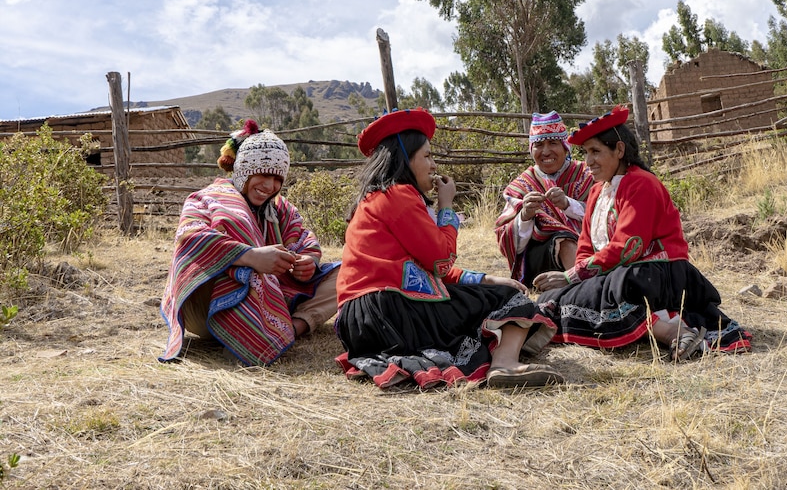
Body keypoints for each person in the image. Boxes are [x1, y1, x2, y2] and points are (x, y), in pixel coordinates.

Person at [335, 108, 563, 389]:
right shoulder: (399, 195)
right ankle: (505, 363)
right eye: (427, 156)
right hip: (391, 310)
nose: (433, 166)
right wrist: (446, 207)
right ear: (405, 159)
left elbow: (426, 271)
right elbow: (440, 261)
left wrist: (486, 279)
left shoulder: (377, 199)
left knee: (488, 295)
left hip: (363, 320)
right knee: (511, 300)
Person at [534, 106, 751, 361]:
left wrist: (572, 275)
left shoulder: (642, 184)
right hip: (617, 273)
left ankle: (673, 332)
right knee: (552, 298)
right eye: (585, 153)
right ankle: (662, 327)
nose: (588, 161)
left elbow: (628, 247)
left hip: (656, 273)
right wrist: (577, 279)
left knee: (617, 286)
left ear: (619, 150)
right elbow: (586, 245)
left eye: (595, 151)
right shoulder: (596, 192)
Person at [159, 120, 340, 366]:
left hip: (270, 300)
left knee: (345, 276)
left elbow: (303, 239)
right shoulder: (205, 199)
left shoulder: (280, 210)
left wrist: (308, 261)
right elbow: (190, 237)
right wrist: (251, 256)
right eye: (263, 175)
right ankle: (249, 331)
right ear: (244, 170)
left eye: (277, 178)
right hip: (207, 305)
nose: (270, 186)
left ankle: (292, 328)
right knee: (250, 271)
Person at [495, 111, 595, 287]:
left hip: (591, 253)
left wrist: (568, 204)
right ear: (531, 149)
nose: (546, 152)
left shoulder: (588, 175)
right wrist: (525, 216)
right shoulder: (521, 187)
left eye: (553, 143)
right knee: (563, 240)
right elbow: (509, 244)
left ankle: (582, 284)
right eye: (539, 145)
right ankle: (584, 287)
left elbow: (604, 215)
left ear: (565, 147)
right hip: (543, 260)